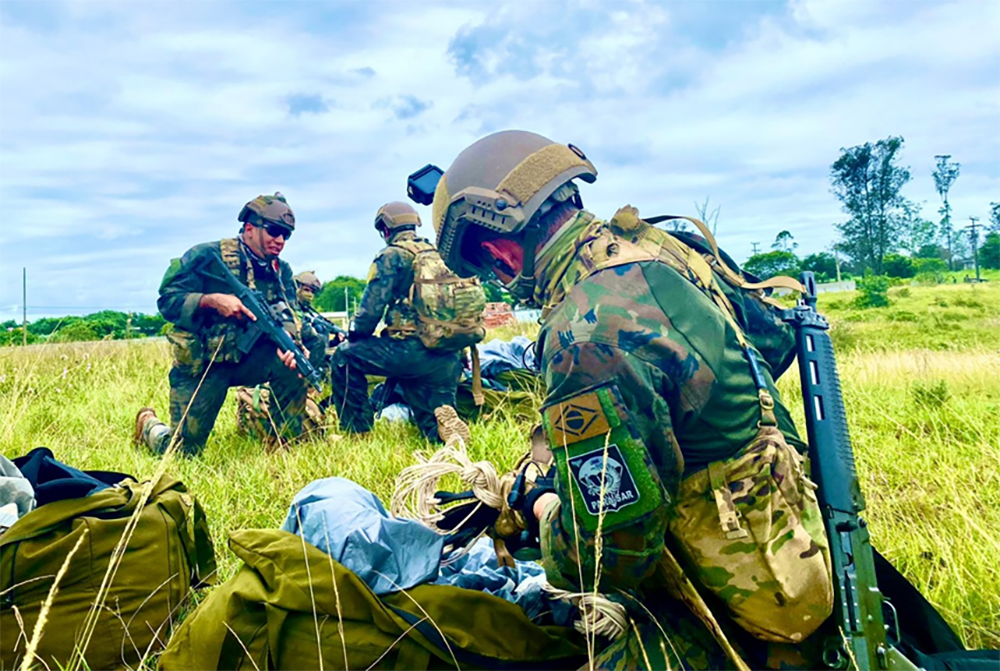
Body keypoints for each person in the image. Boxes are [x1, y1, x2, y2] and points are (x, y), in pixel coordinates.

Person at [427, 131, 834, 668]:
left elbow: (609, 557)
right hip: (800, 514)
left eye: (487, 267)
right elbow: (772, 341)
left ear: (499, 252)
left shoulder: (581, 336)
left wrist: (538, 504)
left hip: (746, 606)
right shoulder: (669, 246)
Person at [134, 193, 323, 456]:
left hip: (249, 358)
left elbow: (289, 314)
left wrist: (293, 346)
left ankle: (283, 447)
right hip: (205, 362)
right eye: (273, 231)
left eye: (286, 235)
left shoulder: (281, 271)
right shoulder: (206, 256)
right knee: (183, 452)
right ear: (249, 228)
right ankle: (149, 426)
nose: (280, 240)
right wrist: (209, 301)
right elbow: (167, 301)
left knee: (293, 368)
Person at [330, 202, 470, 445]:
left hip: (410, 351)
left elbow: (369, 313)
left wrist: (354, 335)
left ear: (385, 229)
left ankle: (356, 433)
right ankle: (444, 438)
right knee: (434, 417)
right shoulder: (438, 254)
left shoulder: (392, 256)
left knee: (344, 356)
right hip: (447, 353)